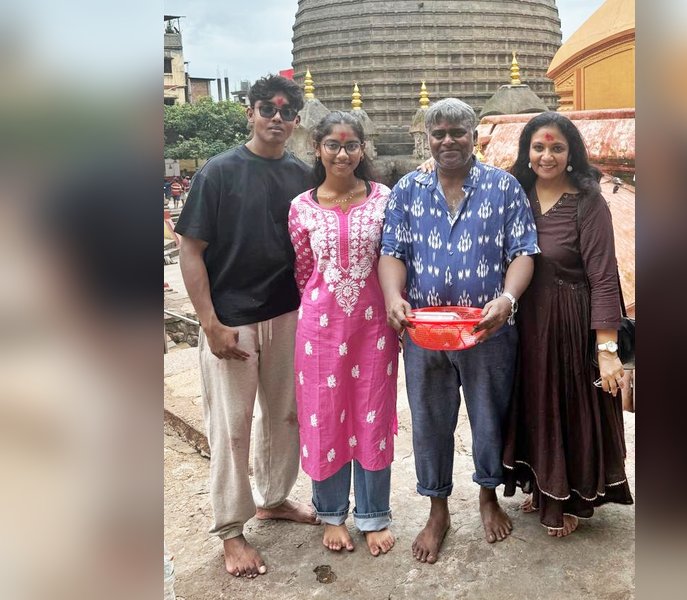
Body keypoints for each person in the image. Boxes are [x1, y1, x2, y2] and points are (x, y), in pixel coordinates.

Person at [379, 98, 539, 564]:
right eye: (439, 133)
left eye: (458, 132)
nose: (448, 141)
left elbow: (524, 251)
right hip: (424, 330)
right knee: (429, 421)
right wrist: (393, 297)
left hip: (486, 330)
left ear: (474, 136)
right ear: (427, 138)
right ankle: (438, 509)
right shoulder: (408, 189)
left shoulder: (503, 186)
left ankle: (488, 498)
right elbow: (393, 251)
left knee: (489, 415)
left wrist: (507, 300)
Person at [174, 75, 318, 579]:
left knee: (285, 414)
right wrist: (208, 323)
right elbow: (191, 251)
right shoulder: (218, 173)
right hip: (232, 320)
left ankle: (275, 498)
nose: (276, 118)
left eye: (285, 111)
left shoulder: (303, 177)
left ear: (296, 120)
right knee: (232, 427)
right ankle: (231, 530)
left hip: (287, 313)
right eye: (266, 109)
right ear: (249, 113)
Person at [501, 112, 634, 537]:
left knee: (568, 407)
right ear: (526, 152)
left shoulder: (587, 202)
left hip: (572, 325)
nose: (546, 155)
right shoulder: (515, 195)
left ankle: (572, 497)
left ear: (571, 153)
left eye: (557, 147)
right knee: (536, 405)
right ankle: (544, 486)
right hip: (526, 325)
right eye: (538, 147)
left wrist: (607, 349)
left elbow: (603, 276)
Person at [288, 111, 399, 556]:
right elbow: (302, 268)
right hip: (319, 327)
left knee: (372, 413)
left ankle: (373, 515)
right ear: (317, 148)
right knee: (323, 413)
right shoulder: (301, 206)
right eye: (332, 144)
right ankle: (331, 514)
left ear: (362, 149)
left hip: (374, 325)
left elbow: (393, 257)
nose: (342, 153)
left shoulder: (384, 199)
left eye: (351, 145)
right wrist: (325, 304)